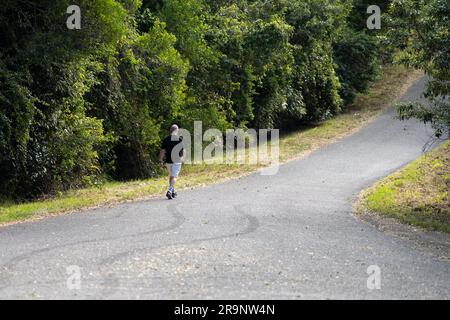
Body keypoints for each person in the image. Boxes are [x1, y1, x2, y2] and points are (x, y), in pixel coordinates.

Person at [159, 124, 185, 200]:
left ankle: (173, 191)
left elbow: (162, 151)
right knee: (174, 177)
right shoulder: (179, 140)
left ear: (170, 131)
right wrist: (182, 159)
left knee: (171, 176)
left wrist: (160, 160)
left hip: (168, 161)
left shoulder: (165, 139)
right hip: (177, 160)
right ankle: (170, 190)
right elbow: (182, 151)